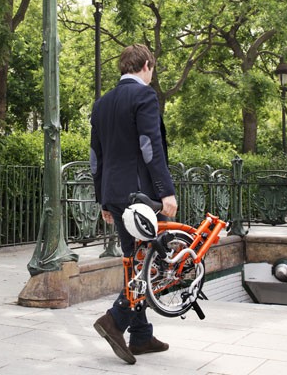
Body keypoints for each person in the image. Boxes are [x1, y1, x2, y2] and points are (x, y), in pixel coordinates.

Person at [90, 44, 178, 365]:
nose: (152, 74)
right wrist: (166, 192)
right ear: (145, 66)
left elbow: (96, 157)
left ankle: (140, 335)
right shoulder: (144, 96)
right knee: (152, 264)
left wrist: (103, 200)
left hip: (114, 194)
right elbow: (150, 147)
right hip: (140, 197)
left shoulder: (102, 104)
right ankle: (115, 319)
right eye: (152, 69)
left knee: (135, 261)